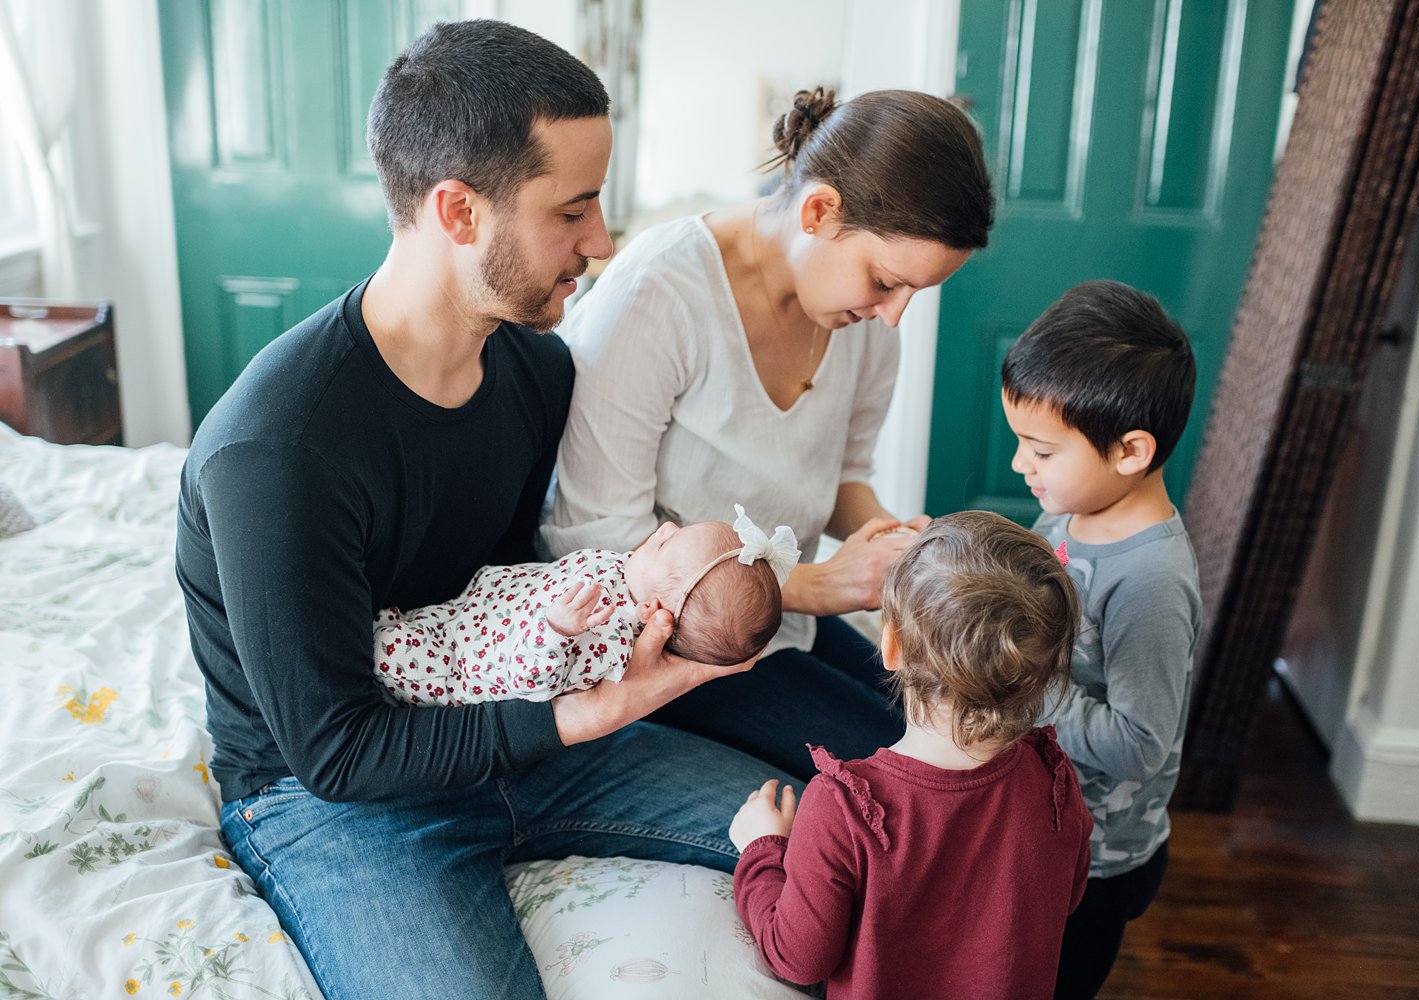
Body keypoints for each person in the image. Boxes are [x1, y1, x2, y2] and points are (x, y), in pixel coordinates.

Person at [175, 21, 797, 999]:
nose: (601, 245)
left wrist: (600, 676)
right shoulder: (280, 451)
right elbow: (336, 749)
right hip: (334, 797)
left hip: (515, 726)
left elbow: (510, 588)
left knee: (827, 832)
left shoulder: (535, 370)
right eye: (574, 211)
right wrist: (580, 717)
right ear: (459, 212)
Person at [542, 86, 996, 779]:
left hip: (783, 625)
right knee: (915, 775)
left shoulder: (864, 323)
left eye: (913, 293)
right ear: (819, 210)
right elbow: (593, 535)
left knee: (969, 732)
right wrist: (814, 584)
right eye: (884, 280)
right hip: (665, 641)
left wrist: (896, 543)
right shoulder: (660, 293)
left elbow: (842, 476)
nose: (894, 315)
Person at [728, 511, 1093, 1000]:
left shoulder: (843, 810)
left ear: (892, 645)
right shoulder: (1054, 782)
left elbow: (797, 959)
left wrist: (762, 852)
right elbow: (1066, 898)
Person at [999, 279, 1203, 999]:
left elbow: (1141, 746)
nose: (1022, 465)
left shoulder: (1150, 580)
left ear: (1130, 451)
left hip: (1098, 857)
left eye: (1041, 451)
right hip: (1043, 823)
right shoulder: (1065, 517)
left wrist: (1027, 690)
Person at [375, 506, 796, 704]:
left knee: (383, 650)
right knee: (401, 615)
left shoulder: (608, 640)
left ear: (655, 611)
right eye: (677, 529)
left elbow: (534, 683)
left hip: (457, 671)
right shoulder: (629, 573)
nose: (664, 528)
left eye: (669, 542)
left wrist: (554, 631)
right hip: (470, 618)